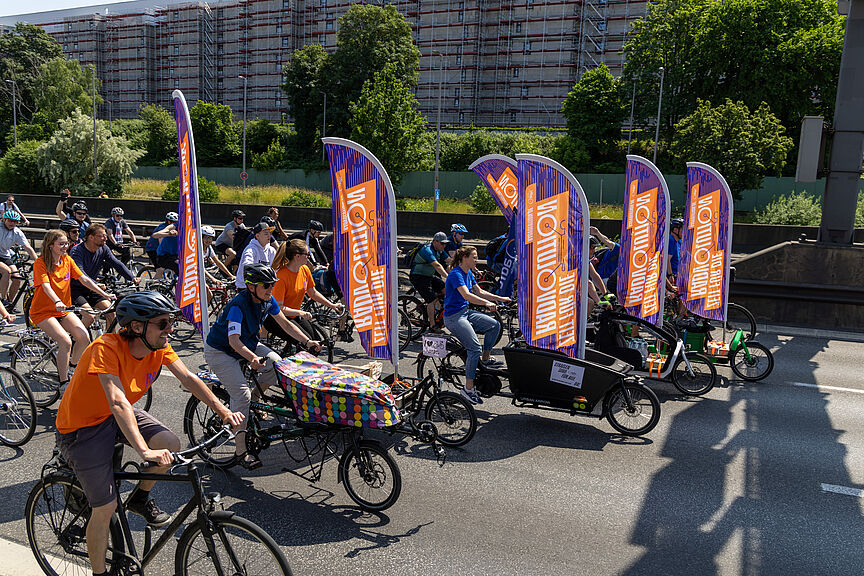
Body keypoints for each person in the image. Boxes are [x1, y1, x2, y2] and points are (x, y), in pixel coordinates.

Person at [55, 291, 244, 576]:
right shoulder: (105, 348)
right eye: (162, 323)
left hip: (114, 416)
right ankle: (99, 573)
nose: (170, 329)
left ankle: (139, 499)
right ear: (136, 326)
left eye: (170, 322)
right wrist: (143, 450)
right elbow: (117, 401)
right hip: (82, 428)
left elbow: (189, 378)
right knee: (104, 508)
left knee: (170, 443)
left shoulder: (158, 348)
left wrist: (222, 410)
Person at [204, 263, 320, 469]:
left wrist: (307, 341)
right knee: (241, 396)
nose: (270, 289)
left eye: (272, 285)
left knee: (278, 365)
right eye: (266, 285)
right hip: (221, 351)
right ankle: (241, 451)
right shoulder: (238, 305)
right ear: (251, 287)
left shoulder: (268, 300)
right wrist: (252, 358)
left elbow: (285, 324)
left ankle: (256, 399)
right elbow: (233, 340)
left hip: (247, 344)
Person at [31, 230, 113, 387]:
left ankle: (71, 366)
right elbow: (46, 286)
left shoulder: (67, 260)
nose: (65, 247)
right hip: (43, 311)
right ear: (50, 245)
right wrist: (56, 301)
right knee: (65, 341)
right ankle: (63, 383)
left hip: (63, 310)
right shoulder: (40, 263)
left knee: (84, 337)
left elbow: (84, 279)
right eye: (61, 244)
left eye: (66, 243)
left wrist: (105, 294)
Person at [443, 246, 511, 405]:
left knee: (494, 325)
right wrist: (488, 304)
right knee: (474, 349)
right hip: (453, 317)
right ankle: (468, 389)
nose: (476, 260)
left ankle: (485, 360)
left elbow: (479, 291)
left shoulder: (468, 273)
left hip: (465, 313)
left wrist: (500, 299)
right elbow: (467, 295)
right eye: (474, 257)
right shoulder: (456, 274)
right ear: (464, 258)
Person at [268, 239, 344, 347]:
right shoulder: (281, 276)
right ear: (297, 256)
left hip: (294, 315)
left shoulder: (304, 269)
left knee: (317, 342)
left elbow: (312, 292)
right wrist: (300, 313)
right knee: (306, 344)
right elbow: (279, 308)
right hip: (279, 318)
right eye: (307, 254)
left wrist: (332, 305)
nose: (309, 256)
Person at [70, 223, 141, 329]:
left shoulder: (103, 248)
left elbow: (117, 264)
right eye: (102, 236)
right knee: (90, 316)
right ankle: (76, 339)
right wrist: (96, 284)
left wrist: (131, 277)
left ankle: (106, 343)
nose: (105, 238)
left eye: (106, 236)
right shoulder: (77, 251)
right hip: (76, 289)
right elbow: (80, 273)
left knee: (111, 313)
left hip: (93, 289)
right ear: (91, 237)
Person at [409, 231, 449, 333]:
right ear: (435, 242)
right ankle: (432, 325)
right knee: (431, 300)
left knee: (446, 289)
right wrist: (448, 277)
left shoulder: (440, 250)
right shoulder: (427, 250)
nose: (444, 245)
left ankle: (438, 310)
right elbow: (437, 265)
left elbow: (449, 261)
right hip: (418, 277)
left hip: (429, 276)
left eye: (445, 243)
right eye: (442, 243)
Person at [0, 210, 37, 307]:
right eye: (10, 221)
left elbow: (28, 247)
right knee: (6, 271)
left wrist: (38, 262)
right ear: (4, 220)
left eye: (15, 221)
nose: (12, 223)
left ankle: (10, 303)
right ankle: (3, 298)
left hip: (5, 256)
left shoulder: (17, 232)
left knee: (17, 278)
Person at [234, 220, 276, 290]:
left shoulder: (271, 250)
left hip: (262, 287)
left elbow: (276, 266)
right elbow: (247, 264)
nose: (269, 236)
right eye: (266, 234)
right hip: (246, 287)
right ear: (257, 236)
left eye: (270, 233)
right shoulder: (251, 249)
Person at [590, 225, 620, 293]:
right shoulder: (619, 249)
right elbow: (607, 241)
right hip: (603, 278)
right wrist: (597, 233)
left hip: (610, 279)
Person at [151, 213, 180, 277]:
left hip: (173, 254)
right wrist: (169, 234)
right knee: (160, 270)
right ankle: (152, 285)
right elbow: (156, 235)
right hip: (159, 252)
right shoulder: (171, 226)